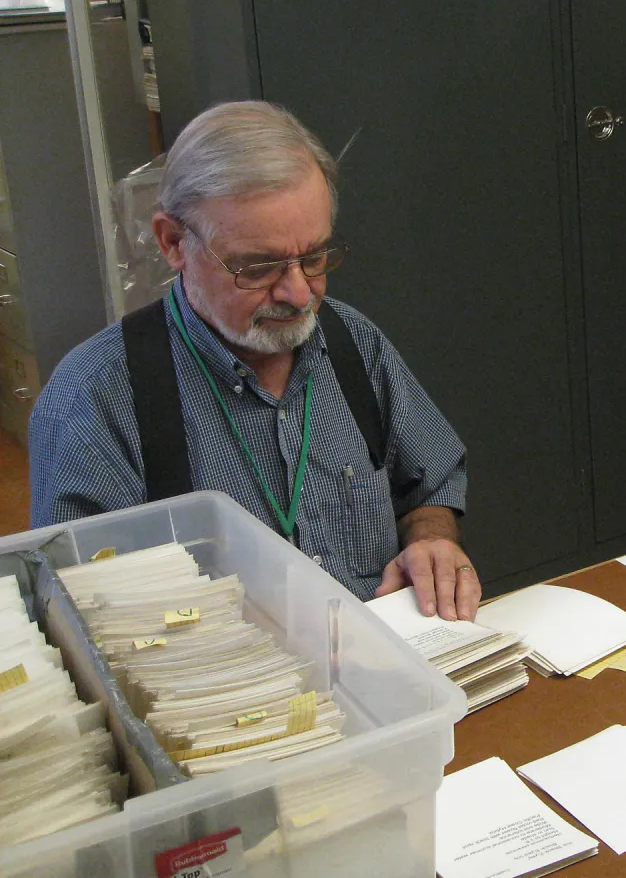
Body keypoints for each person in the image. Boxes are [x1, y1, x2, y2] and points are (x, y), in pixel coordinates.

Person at [29, 100, 481, 620]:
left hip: (385, 663)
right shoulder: (94, 399)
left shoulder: (352, 342)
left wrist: (432, 541)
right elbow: (76, 611)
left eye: (314, 257)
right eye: (258, 267)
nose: (296, 293)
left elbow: (431, 482)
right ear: (173, 242)